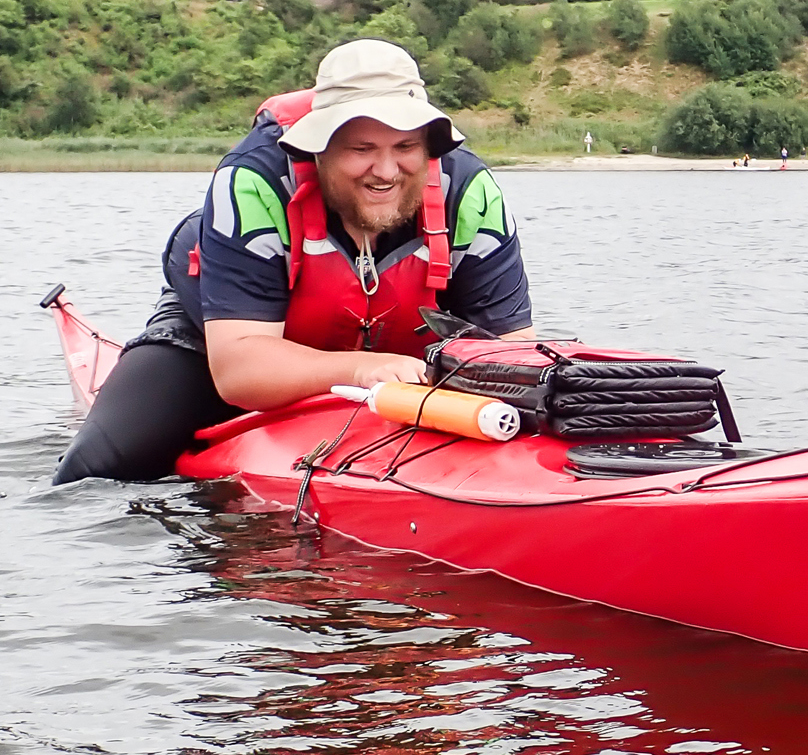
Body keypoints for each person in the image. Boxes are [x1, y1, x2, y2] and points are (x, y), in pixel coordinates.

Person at [52, 39, 535, 484]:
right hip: (227, 338)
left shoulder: (471, 194)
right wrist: (363, 370)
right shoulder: (252, 183)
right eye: (362, 149)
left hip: (396, 350)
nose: (386, 171)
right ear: (319, 147)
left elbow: (512, 352)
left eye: (406, 147)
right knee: (97, 467)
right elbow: (240, 369)